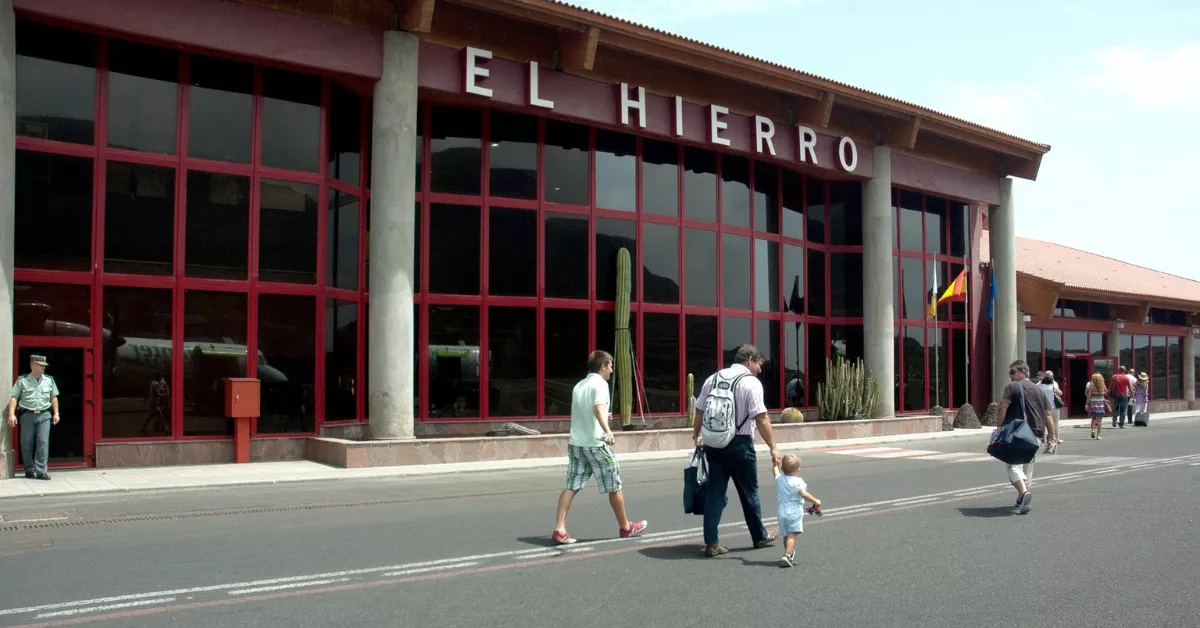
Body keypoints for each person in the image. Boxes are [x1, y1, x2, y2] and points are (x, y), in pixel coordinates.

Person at [692, 344, 782, 557]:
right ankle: (759, 536)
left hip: (713, 443)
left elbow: (699, 410)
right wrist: (773, 447)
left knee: (715, 493)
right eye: (759, 364)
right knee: (749, 492)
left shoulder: (712, 378)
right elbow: (761, 418)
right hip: (740, 445)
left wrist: (696, 434)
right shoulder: (751, 383)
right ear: (749, 360)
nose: (760, 370)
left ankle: (711, 544)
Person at [551, 350, 647, 545]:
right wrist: (607, 430)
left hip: (577, 444)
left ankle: (559, 529)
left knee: (571, 485)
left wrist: (603, 419)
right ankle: (626, 527)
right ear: (602, 365)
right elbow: (597, 409)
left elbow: (589, 411)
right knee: (615, 484)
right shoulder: (600, 384)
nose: (611, 370)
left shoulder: (579, 385)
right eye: (610, 366)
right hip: (596, 444)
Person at [995, 360, 1049, 515]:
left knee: (1013, 467)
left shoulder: (1012, 387)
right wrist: (1051, 435)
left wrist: (999, 427)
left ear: (1023, 372)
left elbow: (1003, 406)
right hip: (1037, 433)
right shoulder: (1040, 390)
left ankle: (1024, 493)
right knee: (1027, 467)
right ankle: (1022, 498)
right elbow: (1048, 414)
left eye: (1012, 372)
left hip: (1017, 433)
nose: (1010, 376)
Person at [7, 355, 60, 481]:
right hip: (27, 415)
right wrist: (11, 414)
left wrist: (56, 413)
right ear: (32, 365)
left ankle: (41, 472)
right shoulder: (22, 381)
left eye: (44, 366)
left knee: (43, 443)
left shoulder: (49, 380)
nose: (43, 368)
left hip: (44, 414)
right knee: (26, 442)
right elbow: (14, 397)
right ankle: (29, 469)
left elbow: (54, 398)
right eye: (41, 365)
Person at [772, 453, 821, 568]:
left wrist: (775, 463)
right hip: (794, 511)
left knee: (786, 535)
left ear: (783, 468)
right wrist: (816, 501)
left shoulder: (780, 479)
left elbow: (775, 471)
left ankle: (788, 552)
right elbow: (804, 494)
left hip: (781, 511)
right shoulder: (798, 481)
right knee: (792, 534)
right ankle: (787, 555)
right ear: (798, 469)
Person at [1036, 371, 1062, 453]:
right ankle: (1054, 439)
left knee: (1044, 424)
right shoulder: (1053, 385)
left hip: (1043, 408)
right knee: (1055, 423)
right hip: (1053, 407)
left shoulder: (1039, 385)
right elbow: (1060, 393)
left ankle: (1044, 440)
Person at [1084, 372, 1108, 440]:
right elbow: (1106, 392)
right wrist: (1102, 393)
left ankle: (1093, 430)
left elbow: (1088, 396)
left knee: (1093, 419)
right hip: (1100, 404)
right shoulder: (1102, 385)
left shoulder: (1091, 386)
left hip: (1093, 404)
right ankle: (1098, 435)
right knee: (1100, 421)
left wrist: (1086, 404)